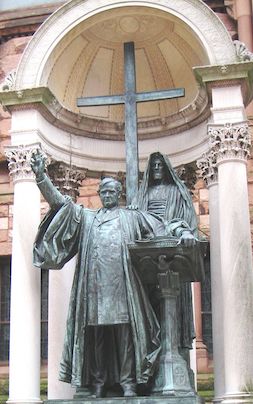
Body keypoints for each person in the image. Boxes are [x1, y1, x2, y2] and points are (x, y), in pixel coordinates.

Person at [31, 150, 164, 398]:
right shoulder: (87, 219)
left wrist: (181, 229)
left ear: (119, 194)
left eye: (112, 192)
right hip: (94, 290)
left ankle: (127, 383)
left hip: (124, 288)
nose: (107, 195)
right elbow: (60, 204)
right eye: (103, 192)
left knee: (125, 339)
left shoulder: (131, 217)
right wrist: (42, 178)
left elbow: (159, 230)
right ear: (99, 195)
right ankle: (98, 382)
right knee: (97, 339)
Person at [132, 152, 197, 367]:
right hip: (147, 260)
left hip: (172, 256)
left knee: (173, 310)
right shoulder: (143, 196)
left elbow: (184, 219)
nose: (158, 168)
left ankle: (175, 359)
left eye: (161, 164)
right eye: (154, 165)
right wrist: (133, 214)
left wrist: (183, 231)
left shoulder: (176, 192)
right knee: (148, 311)